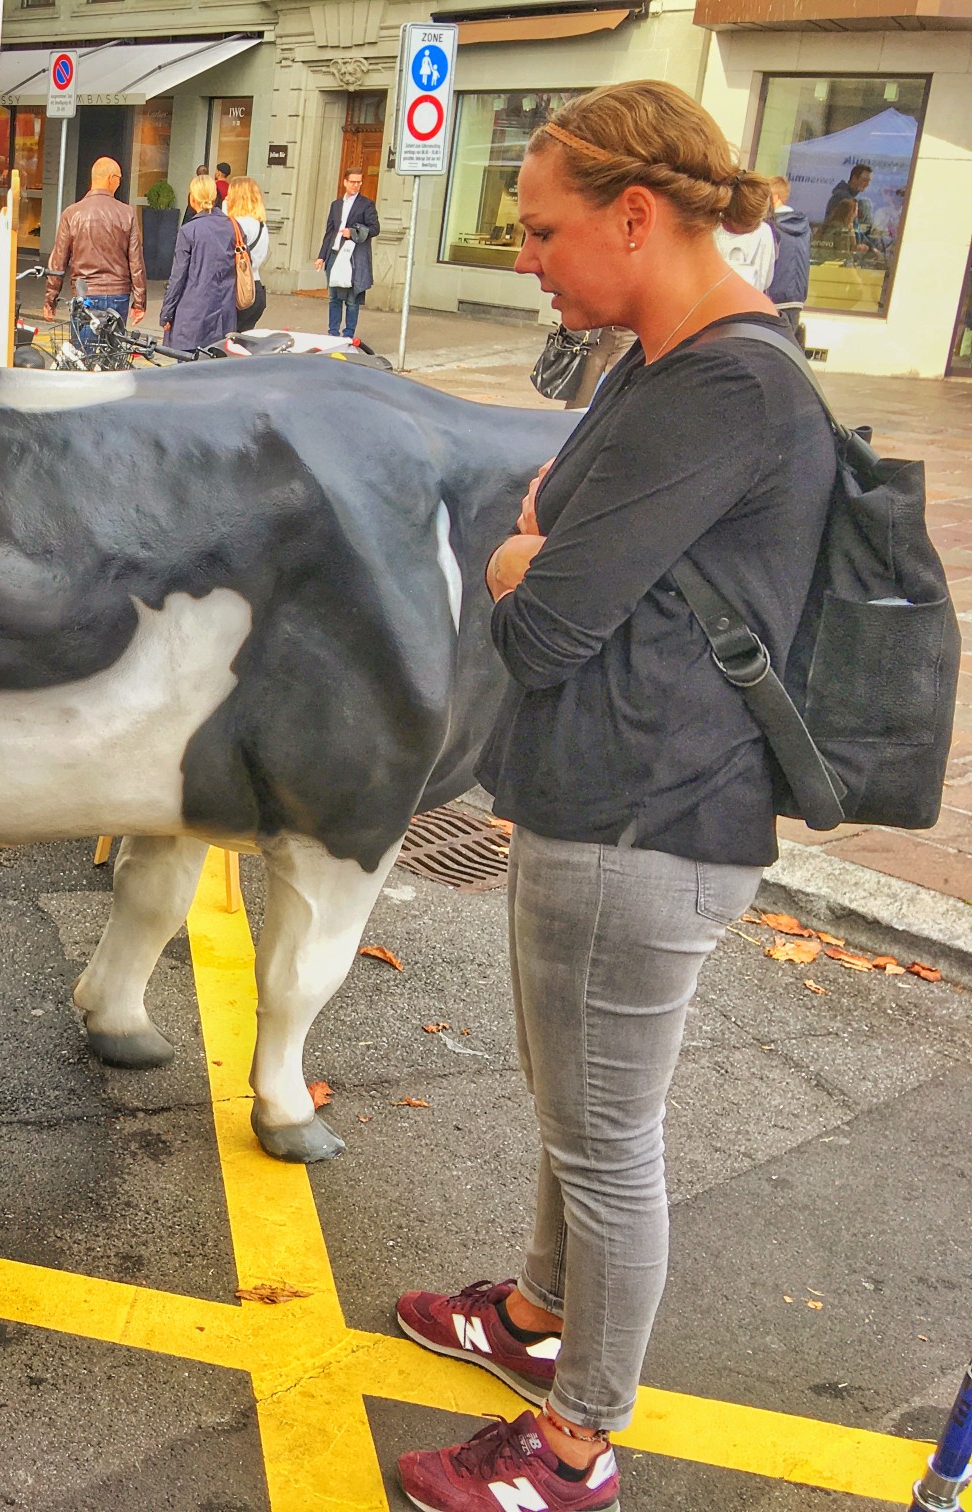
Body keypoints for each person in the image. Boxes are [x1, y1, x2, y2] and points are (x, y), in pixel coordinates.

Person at [392, 81, 835, 1512]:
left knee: (607, 1141)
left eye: (539, 231)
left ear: (634, 218)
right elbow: (551, 510)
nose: (524, 257)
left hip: (649, 819)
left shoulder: (724, 385)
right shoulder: (658, 358)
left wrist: (532, 564)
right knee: (576, 1110)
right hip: (615, 796)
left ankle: (573, 1447)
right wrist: (543, 548)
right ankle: (529, 1321)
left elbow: (537, 615)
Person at [43, 156, 146, 349]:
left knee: (84, 357)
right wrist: (139, 302)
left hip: (85, 294)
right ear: (110, 178)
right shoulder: (127, 213)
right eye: (119, 178)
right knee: (112, 357)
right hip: (118, 294)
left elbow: (58, 262)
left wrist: (50, 299)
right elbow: (136, 261)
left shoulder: (72, 213)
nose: (119, 182)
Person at [159, 174, 242, 352]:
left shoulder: (189, 230)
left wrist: (167, 313)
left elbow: (178, 276)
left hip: (193, 315)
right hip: (224, 315)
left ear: (192, 197)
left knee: (187, 373)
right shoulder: (233, 227)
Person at [315, 167, 380, 341]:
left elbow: (375, 229)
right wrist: (322, 256)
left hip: (353, 257)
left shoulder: (366, 204)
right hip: (334, 255)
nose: (356, 185)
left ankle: (348, 335)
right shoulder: (336, 205)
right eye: (352, 182)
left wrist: (353, 232)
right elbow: (329, 232)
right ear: (345, 182)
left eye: (359, 182)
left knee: (352, 299)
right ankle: (333, 333)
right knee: (334, 297)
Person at [767, 175, 811, 340]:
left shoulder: (771, 226)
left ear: (774, 198)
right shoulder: (804, 227)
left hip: (774, 296)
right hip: (796, 298)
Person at [225, 176, 270, 332]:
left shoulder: (236, 224)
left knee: (226, 345)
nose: (226, 197)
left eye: (229, 194)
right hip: (255, 288)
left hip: (237, 290)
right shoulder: (261, 225)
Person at [713, 208, 774, 291]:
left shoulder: (713, 229)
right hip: (753, 300)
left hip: (718, 298)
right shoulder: (764, 231)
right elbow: (767, 281)